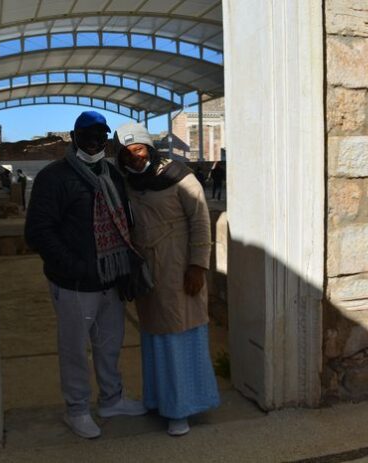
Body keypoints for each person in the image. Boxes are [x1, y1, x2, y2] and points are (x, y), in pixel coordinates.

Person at [25, 111, 147, 439]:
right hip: (75, 282)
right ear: (74, 136)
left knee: (109, 345)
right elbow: (38, 231)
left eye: (100, 136)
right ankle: (76, 409)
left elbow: (125, 221)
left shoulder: (112, 174)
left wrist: (125, 265)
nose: (94, 141)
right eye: (88, 135)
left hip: (111, 278)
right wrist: (74, 267)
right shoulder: (54, 177)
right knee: (75, 350)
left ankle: (112, 400)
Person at [114, 122, 220, 437]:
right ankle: (159, 400)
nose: (134, 157)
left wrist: (198, 266)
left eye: (139, 149)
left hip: (178, 269)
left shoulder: (179, 176)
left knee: (179, 334)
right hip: (148, 272)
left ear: (149, 148)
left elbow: (200, 221)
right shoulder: (128, 183)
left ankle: (181, 410)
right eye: (127, 153)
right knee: (154, 337)